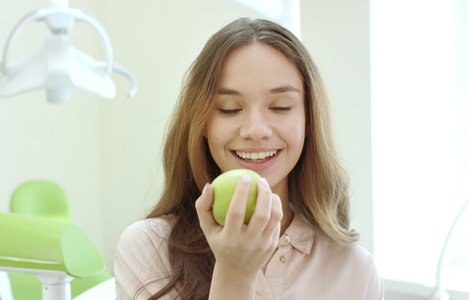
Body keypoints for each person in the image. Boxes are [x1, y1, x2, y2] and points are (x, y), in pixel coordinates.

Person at [114, 17, 384, 300]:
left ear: (309, 122)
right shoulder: (148, 249)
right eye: (230, 109)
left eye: (280, 107)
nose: (256, 130)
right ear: (202, 125)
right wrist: (234, 274)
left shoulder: (355, 271)